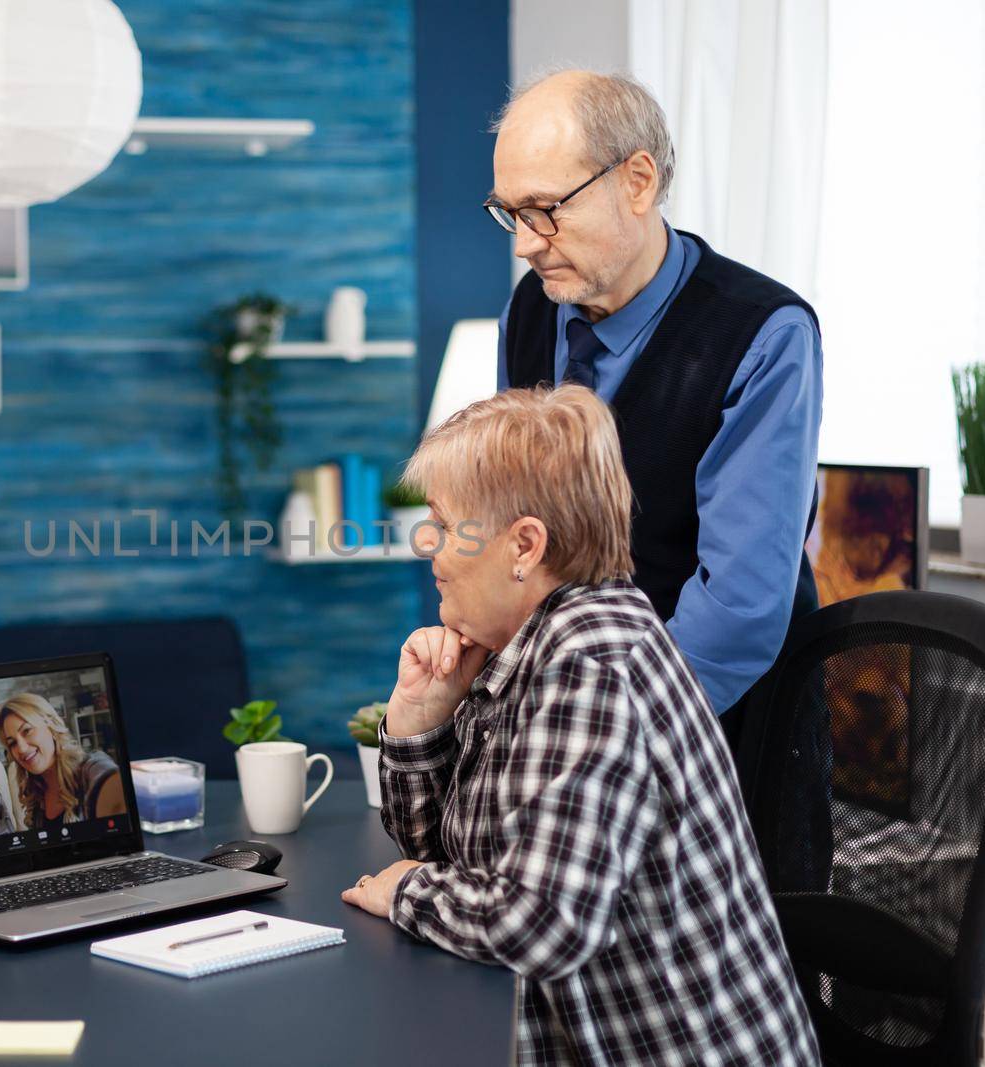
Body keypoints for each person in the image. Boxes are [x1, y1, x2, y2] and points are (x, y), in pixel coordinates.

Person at [341, 386, 820, 1065]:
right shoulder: (534, 640)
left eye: (447, 528)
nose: (433, 551)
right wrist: (422, 718)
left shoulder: (590, 668)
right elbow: (448, 850)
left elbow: (540, 923)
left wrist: (407, 892)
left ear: (525, 545)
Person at [486, 68, 823, 720]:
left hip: (712, 742)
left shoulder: (761, 334)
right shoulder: (528, 312)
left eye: (546, 210)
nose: (525, 244)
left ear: (637, 182)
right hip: (563, 725)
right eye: (510, 213)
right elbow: (517, 528)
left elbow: (736, 610)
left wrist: (602, 733)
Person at [0, 693, 125, 830]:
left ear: (51, 726)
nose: (20, 749)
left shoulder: (90, 769)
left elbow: (112, 787)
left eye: (27, 731)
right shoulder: (35, 793)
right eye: (12, 743)